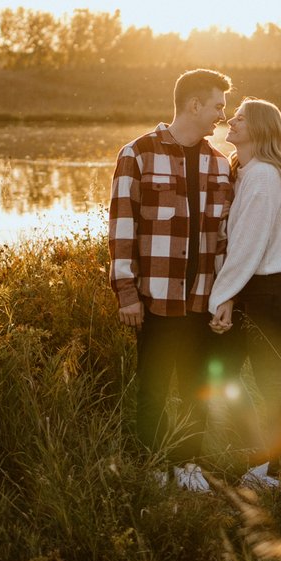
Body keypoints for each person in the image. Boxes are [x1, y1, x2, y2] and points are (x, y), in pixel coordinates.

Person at [109, 68, 233, 490]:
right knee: (154, 390)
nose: (222, 114)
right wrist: (126, 293)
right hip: (155, 298)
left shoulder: (220, 165)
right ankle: (154, 466)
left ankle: (189, 465)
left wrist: (225, 297)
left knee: (199, 388)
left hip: (203, 299)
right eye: (217, 105)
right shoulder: (137, 153)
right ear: (194, 105)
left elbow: (224, 240)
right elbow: (122, 229)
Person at [208, 98, 281, 487]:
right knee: (225, 371)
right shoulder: (245, 172)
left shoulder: (262, 175)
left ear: (259, 129)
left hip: (267, 291)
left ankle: (274, 469)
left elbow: (247, 246)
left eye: (241, 117)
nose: (231, 119)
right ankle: (255, 453)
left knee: (268, 380)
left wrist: (223, 297)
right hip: (252, 287)